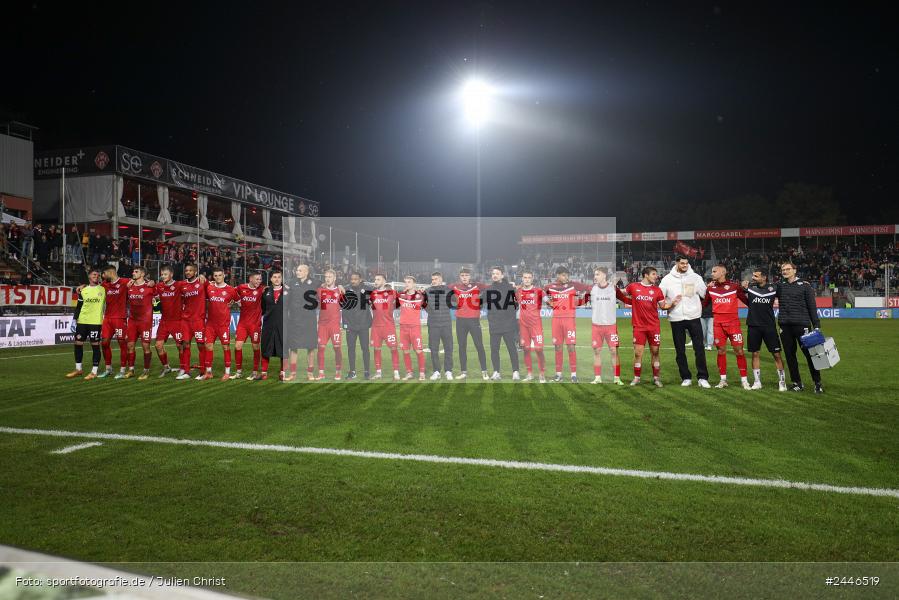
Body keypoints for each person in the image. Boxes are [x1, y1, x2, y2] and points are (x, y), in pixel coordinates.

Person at [619, 266, 681, 387]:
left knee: (655, 352)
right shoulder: (633, 286)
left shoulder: (657, 290)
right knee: (638, 353)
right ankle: (636, 378)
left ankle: (656, 378)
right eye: (653, 274)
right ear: (646, 275)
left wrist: (672, 303)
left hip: (653, 326)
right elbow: (622, 292)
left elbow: (663, 306)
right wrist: (610, 289)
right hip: (639, 327)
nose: (656, 276)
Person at [659, 255, 710, 387]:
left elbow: (705, 295)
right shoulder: (667, 280)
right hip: (676, 318)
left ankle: (702, 377)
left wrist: (710, 287)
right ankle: (686, 377)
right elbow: (660, 297)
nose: (685, 266)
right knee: (680, 350)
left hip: (694, 317)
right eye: (682, 263)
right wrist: (670, 305)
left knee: (699, 348)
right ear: (676, 263)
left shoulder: (695, 278)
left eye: (686, 263)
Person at [776, 262, 823, 393]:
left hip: (802, 325)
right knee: (790, 356)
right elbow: (764, 291)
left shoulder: (805, 286)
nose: (785, 271)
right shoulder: (780, 286)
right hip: (785, 326)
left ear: (794, 270)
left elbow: (812, 307)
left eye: (788, 269)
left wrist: (816, 325)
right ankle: (797, 383)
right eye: (783, 270)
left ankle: (817, 383)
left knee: (810, 355)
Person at [704, 265, 751, 389]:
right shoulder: (710, 289)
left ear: (723, 272)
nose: (712, 273)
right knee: (721, 351)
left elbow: (747, 302)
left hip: (733, 324)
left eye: (715, 271)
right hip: (717, 324)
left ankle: (744, 380)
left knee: (739, 351)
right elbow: (704, 304)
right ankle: (723, 380)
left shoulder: (734, 287)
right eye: (712, 271)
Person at [742, 269, 787, 391]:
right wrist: (742, 285)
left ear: (764, 277)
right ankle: (757, 382)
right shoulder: (749, 287)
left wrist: (804, 282)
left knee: (777, 354)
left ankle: (782, 382)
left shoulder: (774, 288)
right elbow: (735, 289)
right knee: (755, 353)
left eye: (756, 276)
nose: (753, 278)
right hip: (753, 326)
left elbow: (788, 287)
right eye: (753, 275)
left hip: (769, 326)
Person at [544, 266, 591, 382]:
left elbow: (589, 288)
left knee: (571, 347)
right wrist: (549, 303)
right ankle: (558, 374)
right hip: (556, 320)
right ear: (558, 275)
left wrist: (581, 301)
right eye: (564, 275)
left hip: (569, 320)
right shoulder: (550, 287)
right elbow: (542, 294)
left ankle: (573, 375)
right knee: (558, 347)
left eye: (567, 275)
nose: (566, 277)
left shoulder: (573, 285)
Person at [587, 267, 627, 385]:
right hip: (596, 326)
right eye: (595, 274)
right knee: (597, 352)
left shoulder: (613, 289)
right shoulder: (592, 289)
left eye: (597, 274)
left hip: (611, 327)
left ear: (604, 275)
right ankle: (598, 377)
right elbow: (581, 301)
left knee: (614, 351)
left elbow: (625, 299)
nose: (595, 277)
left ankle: (616, 378)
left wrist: (639, 302)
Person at [448, 268, 489, 380]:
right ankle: (463, 372)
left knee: (479, 346)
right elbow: (442, 289)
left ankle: (484, 371)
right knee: (462, 347)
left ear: (470, 276)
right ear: (460, 277)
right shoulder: (454, 286)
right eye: (462, 275)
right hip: (460, 321)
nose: (464, 277)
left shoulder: (477, 286)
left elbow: (492, 287)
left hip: (474, 321)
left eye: (466, 275)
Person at [67, 268, 105, 380]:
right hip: (82, 321)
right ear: (89, 276)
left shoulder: (103, 289)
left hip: (95, 322)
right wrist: (74, 320)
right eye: (94, 274)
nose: (96, 276)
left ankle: (94, 371)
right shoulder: (83, 290)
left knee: (95, 346)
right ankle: (78, 369)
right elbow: (79, 307)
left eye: (97, 275)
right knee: (78, 343)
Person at [201, 267, 238, 381]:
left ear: (224, 276)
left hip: (223, 324)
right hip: (210, 324)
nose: (217, 277)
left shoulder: (230, 290)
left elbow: (238, 300)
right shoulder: (209, 287)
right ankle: (208, 372)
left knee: (225, 347)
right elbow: (202, 281)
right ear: (213, 276)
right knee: (208, 346)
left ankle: (227, 372)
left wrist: (232, 303)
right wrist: (202, 277)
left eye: (219, 275)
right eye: (215, 275)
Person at [285, 263, 319, 381]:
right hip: (294, 320)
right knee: (293, 347)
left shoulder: (315, 283)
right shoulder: (291, 283)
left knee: (310, 347)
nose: (297, 272)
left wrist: (340, 285)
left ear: (306, 272)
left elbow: (328, 286)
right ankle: (292, 373)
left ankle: (310, 373)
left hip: (309, 320)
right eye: (297, 270)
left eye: (300, 270)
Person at [485, 266, 520, 380]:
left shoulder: (510, 288)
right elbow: (479, 302)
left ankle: (515, 371)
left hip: (508, 324)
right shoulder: (488, 289)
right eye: (493, 273)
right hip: (494, 325)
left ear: (502, 275)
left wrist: (509, 316)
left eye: (497, 273)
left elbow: (516, 305)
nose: (494, 275)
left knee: (512, 348)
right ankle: (496, 372)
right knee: (494, 349)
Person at [175, 264, 208, 380]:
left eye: (190, 270)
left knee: (200, 345)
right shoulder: (182, 285)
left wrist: (203, 276)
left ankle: (203, 372)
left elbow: (213, 288)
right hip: (186, 320)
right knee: (185, 344)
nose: (188, 272)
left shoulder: (202, 282)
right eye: (186, 270)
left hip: (198, 320)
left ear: (195, 272)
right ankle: (187, 372)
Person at [97, 265, 130, 378]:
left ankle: (122, 369)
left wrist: (149, 282)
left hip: (120, 318)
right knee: (104, 342)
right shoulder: (105, 285)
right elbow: (93, 288)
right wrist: (83, 286)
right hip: (107, 319)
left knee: (122, 343)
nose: (103, 276)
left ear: (111, 272)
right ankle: (108, 368)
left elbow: (139, 282)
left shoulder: (125, 282)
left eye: (104, 273)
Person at [232, 272, 265, 380]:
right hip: (242, 324)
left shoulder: (261, 289)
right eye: (257, 279)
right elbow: (230, 291)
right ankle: (239, 372)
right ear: (250, 279)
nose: (259, 281)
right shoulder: (241, 287)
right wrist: (235, 301)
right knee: (237, 347)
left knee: (255, 347)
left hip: (255, 324)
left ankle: (255, 372)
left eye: (260, 279)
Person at [125, 266, 156, 380]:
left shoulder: (150, 286)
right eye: (133, 271)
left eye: (136, 271)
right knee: (130, 345)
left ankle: (146, 371)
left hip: (145, 321)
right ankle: (131, 370)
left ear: (142, 274)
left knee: (145, 346)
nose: (133, 272)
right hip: (132, 320)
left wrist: (153, 282)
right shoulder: (130, 286)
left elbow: (161, 289)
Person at [516, 270, 547, 382]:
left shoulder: (538, 291)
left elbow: (548, 301)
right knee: (526, 349)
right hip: (523, 325)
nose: (527, 279)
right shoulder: (518, 292)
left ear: (532, 278)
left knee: (539, 349)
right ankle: (530, 373)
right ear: (522, 278)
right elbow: (516, 304)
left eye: (529, 277)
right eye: (525, 277)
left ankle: (542, 373)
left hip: (536, 324)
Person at [154, 264, 184, 378]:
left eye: (165, 274)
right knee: (158, 345)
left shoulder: (179, 285)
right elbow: (152, 292)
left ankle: (183, 367)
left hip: (177, 321)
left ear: (171, 274)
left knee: (180, 346)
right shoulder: (159, 286)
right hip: (164, 321)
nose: (163, 276)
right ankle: (166, 367)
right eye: (161, 274)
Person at [342, 271, 373, 380]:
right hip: (350, 325)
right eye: (352, 279)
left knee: (365, 349)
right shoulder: (345, 290)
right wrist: (345, 324)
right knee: (351, 349)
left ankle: (367, 372)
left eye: (355, 279)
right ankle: (352, 372)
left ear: (360, 279)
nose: (353, 281)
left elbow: (378, 294)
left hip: (364, 324)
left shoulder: (368, 289)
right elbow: (343, 307)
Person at [369, 273, 401, 380]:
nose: (375, 281)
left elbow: (403, 300)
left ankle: (396, 372)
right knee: (376, 348)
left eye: (378, 279)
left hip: (388, 326)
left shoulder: (392, 292)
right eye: (375, 279)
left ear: (384, 281)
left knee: (393, 348)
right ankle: (378, 372)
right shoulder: (372, 293)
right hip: (376, 327)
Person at [424, 271, 454, 380]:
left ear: (441, 279)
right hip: (433, 324)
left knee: (448, 348)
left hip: (446, 324)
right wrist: (432, 313)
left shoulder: (448, 290)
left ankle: (448, 370)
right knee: (434, 349)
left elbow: (455, 302)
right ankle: (436, 371)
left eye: (435, 279)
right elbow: (425, 306)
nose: (433, 281)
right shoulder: (427, 291)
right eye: (432, 279)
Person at [257, 270, 287, 380]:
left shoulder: (288, 291)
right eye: (275, 277)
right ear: (271, 279)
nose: (277, 279)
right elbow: (263, 308)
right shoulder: (266, 292)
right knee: (265, 348)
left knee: (283, 348)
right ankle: (264, 373)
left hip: (283, 324)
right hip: (268, 325)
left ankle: (283, 372)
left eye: (279, 277)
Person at [316, 268, 344, 380]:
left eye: (330, 277)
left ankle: (338, 371)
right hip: (322, 325)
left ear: (335, 278)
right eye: (326, 277)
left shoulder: (340, 291)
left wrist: (343, 324)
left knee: (337, 348)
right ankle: (321, 373)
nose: (327, 279)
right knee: (321, 348)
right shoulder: (320, 290)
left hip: (335, 325)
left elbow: (345, 308)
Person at [398, 275, 427, 380]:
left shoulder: (420, 296)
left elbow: (426, 307)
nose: (407, 284)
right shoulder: (401, 295)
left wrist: (423, 292)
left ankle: (422, 373)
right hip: (403, 327)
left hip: (414, 327)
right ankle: (409, 373)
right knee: (405, 351)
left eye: (409, 282)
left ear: (414, 283)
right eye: (405, 282)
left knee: (418, 351)